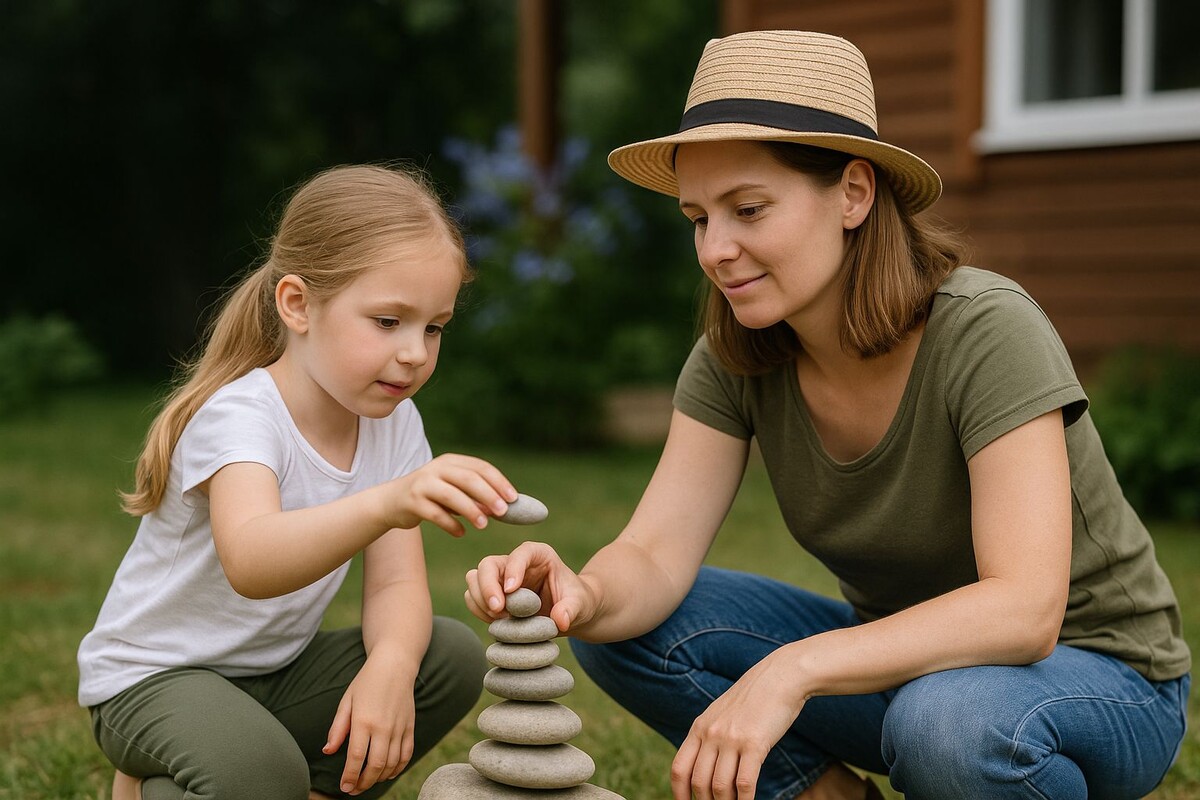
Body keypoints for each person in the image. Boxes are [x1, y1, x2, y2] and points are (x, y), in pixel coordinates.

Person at [465, 30, 1191, 800]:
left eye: (748, 209)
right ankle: (824, 793)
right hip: (905, 671)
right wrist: (582, 593)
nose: (716, 249)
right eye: (699, 219)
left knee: (945, 722)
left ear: (853, 193)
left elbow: (1025, 610)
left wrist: (794, 668)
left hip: (1095, 680)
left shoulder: (986, 330)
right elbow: (651, 555)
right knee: (628, 630)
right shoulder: (735, 354)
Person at [78, 164, 524, 800]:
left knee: (444, 656)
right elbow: (253, 561)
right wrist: (390, 501)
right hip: (153, 679)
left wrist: (392, 669)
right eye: (388, 321)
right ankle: (187, 771)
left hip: (276, 675)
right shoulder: (243, 416)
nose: (416, 353)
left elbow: (397, 583)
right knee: (260, 775)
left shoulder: (393, 422)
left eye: (434, 327)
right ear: (297, 305)